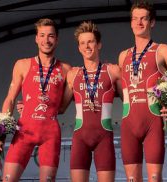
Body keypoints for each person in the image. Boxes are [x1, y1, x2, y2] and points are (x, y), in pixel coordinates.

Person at [0, 18, 71, 182]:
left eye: (51, 36)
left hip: (50, 134)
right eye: (42, 35)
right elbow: (10, 99)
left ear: (57, 39)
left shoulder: (66, 69)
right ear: (36, 38)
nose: (46, 40)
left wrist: (38, 106)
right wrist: (1, 131)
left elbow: (62, 108)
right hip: (24, 131)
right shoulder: (22, 65)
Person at [118, 2, 167, 182]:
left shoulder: (162, 50)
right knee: (132, 179)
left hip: (152, 125)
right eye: (135, 19)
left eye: (144, 18)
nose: (139, 23)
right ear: (130, 22)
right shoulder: (123, 55)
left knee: (155, 178)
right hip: (128, 125)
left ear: (152, 22)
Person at [59, 21, 121, 182]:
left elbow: (131, 100)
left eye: (91, 42)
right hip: (80, 138)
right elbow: (60, 108)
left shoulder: (112, 71)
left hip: (104, 138)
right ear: (79, 47)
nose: (87, 46)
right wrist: (29, 107)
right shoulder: (73, 74)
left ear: (99, 44)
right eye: (82, 43)